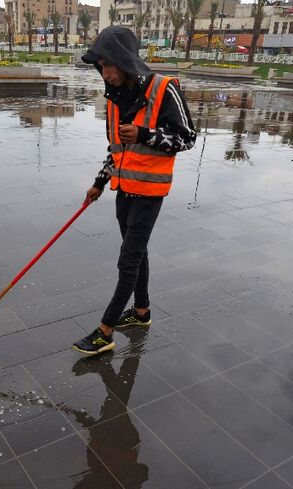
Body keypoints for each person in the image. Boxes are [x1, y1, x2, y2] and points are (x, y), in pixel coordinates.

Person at [72, 26, 196, 355]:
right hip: (124, 190)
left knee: (128, 260)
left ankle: (105, 330)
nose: (105, 72)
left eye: (108, 65)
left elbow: (187, 139)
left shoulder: (164, 89)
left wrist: (143, 134)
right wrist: (99, 183)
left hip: (150, 192)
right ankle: (141, 313)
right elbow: (116, 149)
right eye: (100, 66)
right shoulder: (114, 100)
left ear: (124, 61)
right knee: (136, 252)